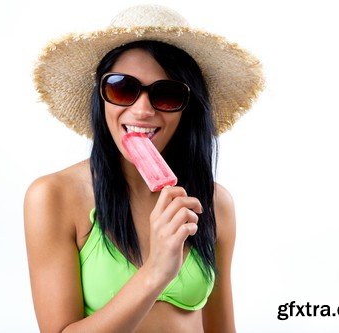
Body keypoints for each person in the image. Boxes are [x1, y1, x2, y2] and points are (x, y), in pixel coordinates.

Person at [24, 5, 263, 333]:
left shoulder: (215, 204)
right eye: (123, 88)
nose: (142, 110)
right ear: (101, 96)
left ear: (186, 108)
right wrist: (155, 272)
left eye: (166, 95)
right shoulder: (53, 196)